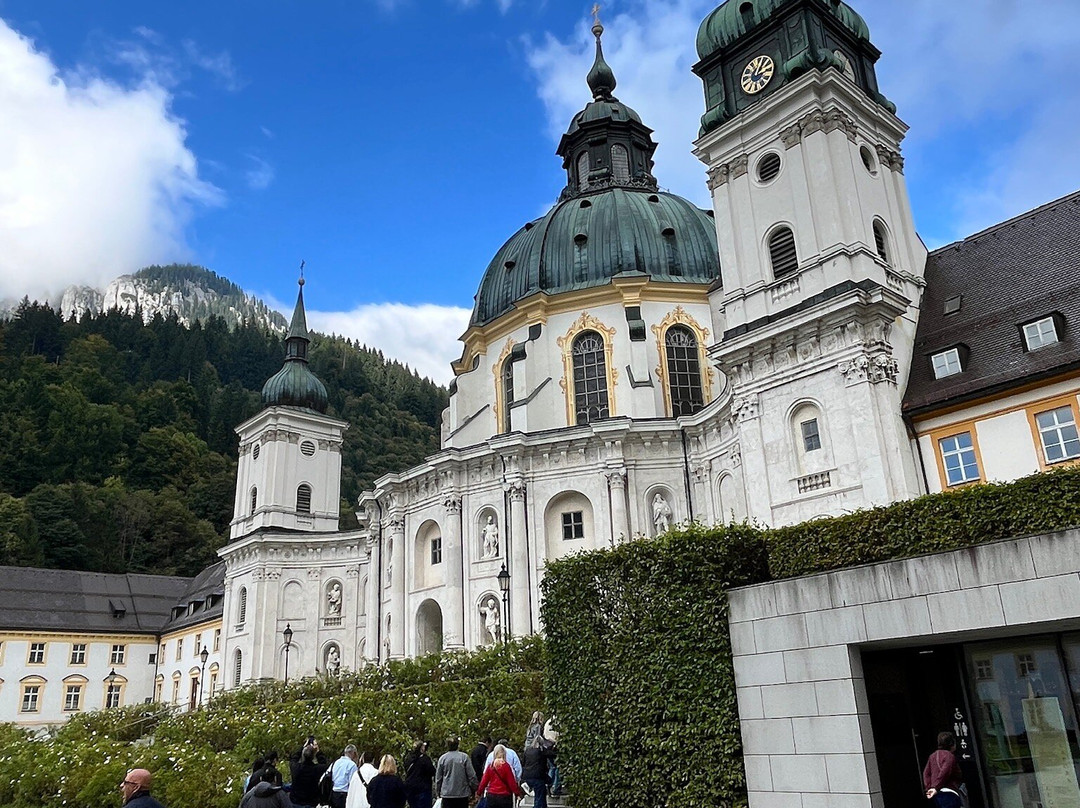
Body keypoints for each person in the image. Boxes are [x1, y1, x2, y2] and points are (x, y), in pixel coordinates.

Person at [434, 736, 478, 808]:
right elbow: (471, 776)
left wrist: (438, 791)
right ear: (458, 745)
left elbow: (438, 778)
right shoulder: (464, 757)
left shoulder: (442, 759)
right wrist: (475, 788)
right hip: (462, 793)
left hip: (447, 793)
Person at [923, 731, 965, 807]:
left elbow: (926, 773)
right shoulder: (949, 756)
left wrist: (929, 788)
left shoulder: (932, 756)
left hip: (937, 795)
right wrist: (936, 787)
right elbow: (945, 772)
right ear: (952, 744)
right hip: (949, 792)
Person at [402, 740, 435, 808]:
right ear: (422, 748)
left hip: (410, 788)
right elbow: (432, 771)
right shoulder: (425, 759)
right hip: (423, 789)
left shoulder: (408, 758)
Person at [522, 737, 552, 808]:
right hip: (538, 776)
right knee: (540, 795)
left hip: (528, 776)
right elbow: (551, 754)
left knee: (539, 793)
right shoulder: (541, 751)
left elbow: (523, 763)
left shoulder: (527, 751)